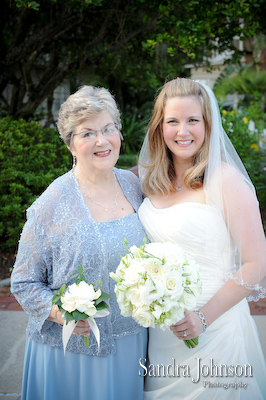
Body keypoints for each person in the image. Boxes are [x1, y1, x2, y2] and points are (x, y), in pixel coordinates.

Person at [11, 85, 148, 400]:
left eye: (108, 128)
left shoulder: (133, 185)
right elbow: (23, 281)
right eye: (87, 133)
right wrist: (63, 313)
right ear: (70, 144)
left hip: (133, 342)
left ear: (119, 133)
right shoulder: (53, 202)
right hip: (74, 351)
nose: (101, 141)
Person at [138, 78, 266, 399]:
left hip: (214, 331)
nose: (183, 131)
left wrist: (202, 319)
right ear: (159, 127)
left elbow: (256, 262)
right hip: (161, 337)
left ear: (207, 124)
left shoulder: (226, 181)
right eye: (173, 121)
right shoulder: (149, 178)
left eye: (193, 120)